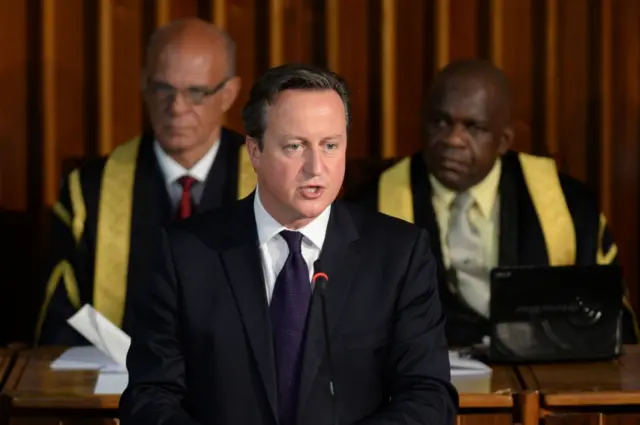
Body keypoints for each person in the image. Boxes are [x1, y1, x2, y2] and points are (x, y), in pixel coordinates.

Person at [119, 63, 458, 425]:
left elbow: (428, 395)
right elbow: (150, 395)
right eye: (295, 146)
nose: (316, 167)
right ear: (255, 152)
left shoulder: (398, 254)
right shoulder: (185, 254)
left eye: (330, 145)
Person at [346, 58, 639, 347]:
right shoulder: (371, 208)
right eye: (440, 122)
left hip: (545, 383)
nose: (453, 140)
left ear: (503, 140)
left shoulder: (570, 206)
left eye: (474, 128)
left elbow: (611, 321)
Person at [36, 18, 255, 345]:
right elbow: (62, 317)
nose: (176, 108)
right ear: (143, 85)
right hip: (119, 387)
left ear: (228, 94)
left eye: (196, 92)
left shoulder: (271, 182)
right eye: (163, 88)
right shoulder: (88, 191)